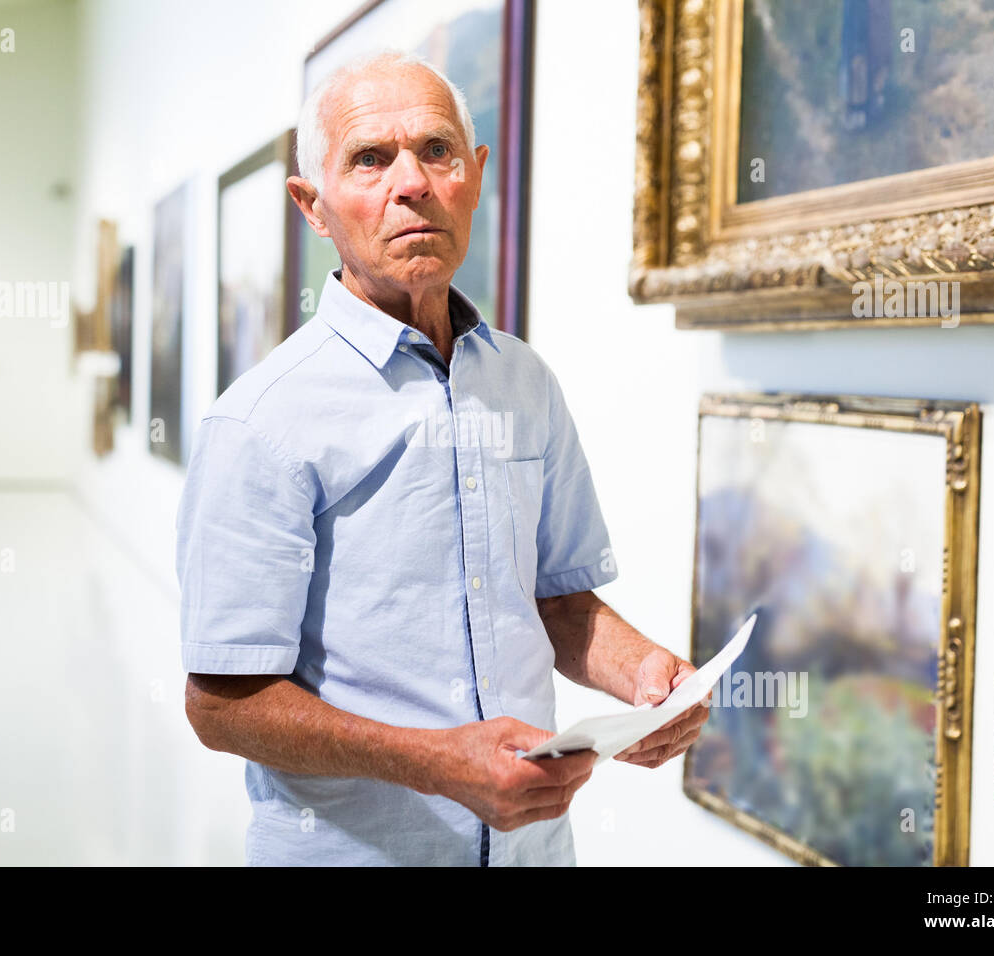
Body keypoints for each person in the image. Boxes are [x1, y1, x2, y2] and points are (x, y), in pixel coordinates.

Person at [175, 49, 709, 866]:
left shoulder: (524, 381)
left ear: (476, 173)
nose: (412, 183)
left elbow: (560, 603)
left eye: (436, 150)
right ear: (312, 206)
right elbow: (222, 705)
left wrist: (647, 678)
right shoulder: (259, 422)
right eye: (369, 159)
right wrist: (434, 762)